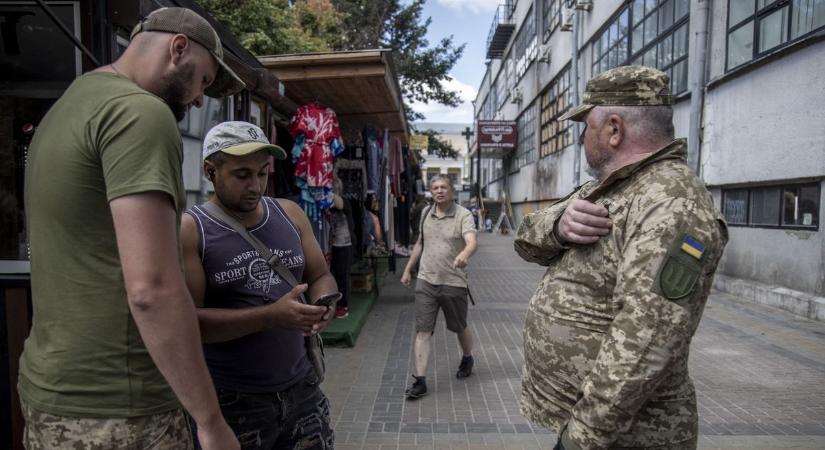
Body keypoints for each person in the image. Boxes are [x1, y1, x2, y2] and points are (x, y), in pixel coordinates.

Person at [20, 7, 244, 450]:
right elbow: (152, 289)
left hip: (50, 390)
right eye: (202, 80)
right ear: (178, 49)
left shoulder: (70, 104)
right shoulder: (140, 113)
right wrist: (210, 421)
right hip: (120, 405)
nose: (200, 99)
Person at [514, 66, 728, 450]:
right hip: (593, 426)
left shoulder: (671, 200)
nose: (581, 137)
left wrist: (583, 436)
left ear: (614, 129)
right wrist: (558, 225)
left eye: (586, 124)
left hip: (626, 435)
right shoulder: (612, 186)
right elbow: (526, 238)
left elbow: (647, 335)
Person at [181, 121, 337, 449]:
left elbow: (320, 274)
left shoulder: (290, 213)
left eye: (262, 173)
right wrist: (271, 316)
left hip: (302, 389)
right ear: (211, 171)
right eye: (242, 175)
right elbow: (189, 324)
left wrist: (324, 303)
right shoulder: (192, 230)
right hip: (233, 402)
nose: (255, 186)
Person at [400, 175, 478, 399]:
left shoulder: (463, 215)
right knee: (423, 330)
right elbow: (420, 243)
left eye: (444, 187)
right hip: (426, 281)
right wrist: (408, 270)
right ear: (430, 191)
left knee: (459, 326)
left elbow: (472, 241)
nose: (440, 191)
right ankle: (420, 380)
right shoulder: (425, 213)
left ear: (452, 190)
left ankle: (467, 356)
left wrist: (464, 253)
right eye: (435, 188)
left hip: (453, 282)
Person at [330, 174, 355, 318]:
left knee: (342, 276)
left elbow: (337, 202)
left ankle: (342, 305)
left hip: (344, 245)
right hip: (329, 245)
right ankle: (331, 304)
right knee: (329, 274)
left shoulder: (343, 201)